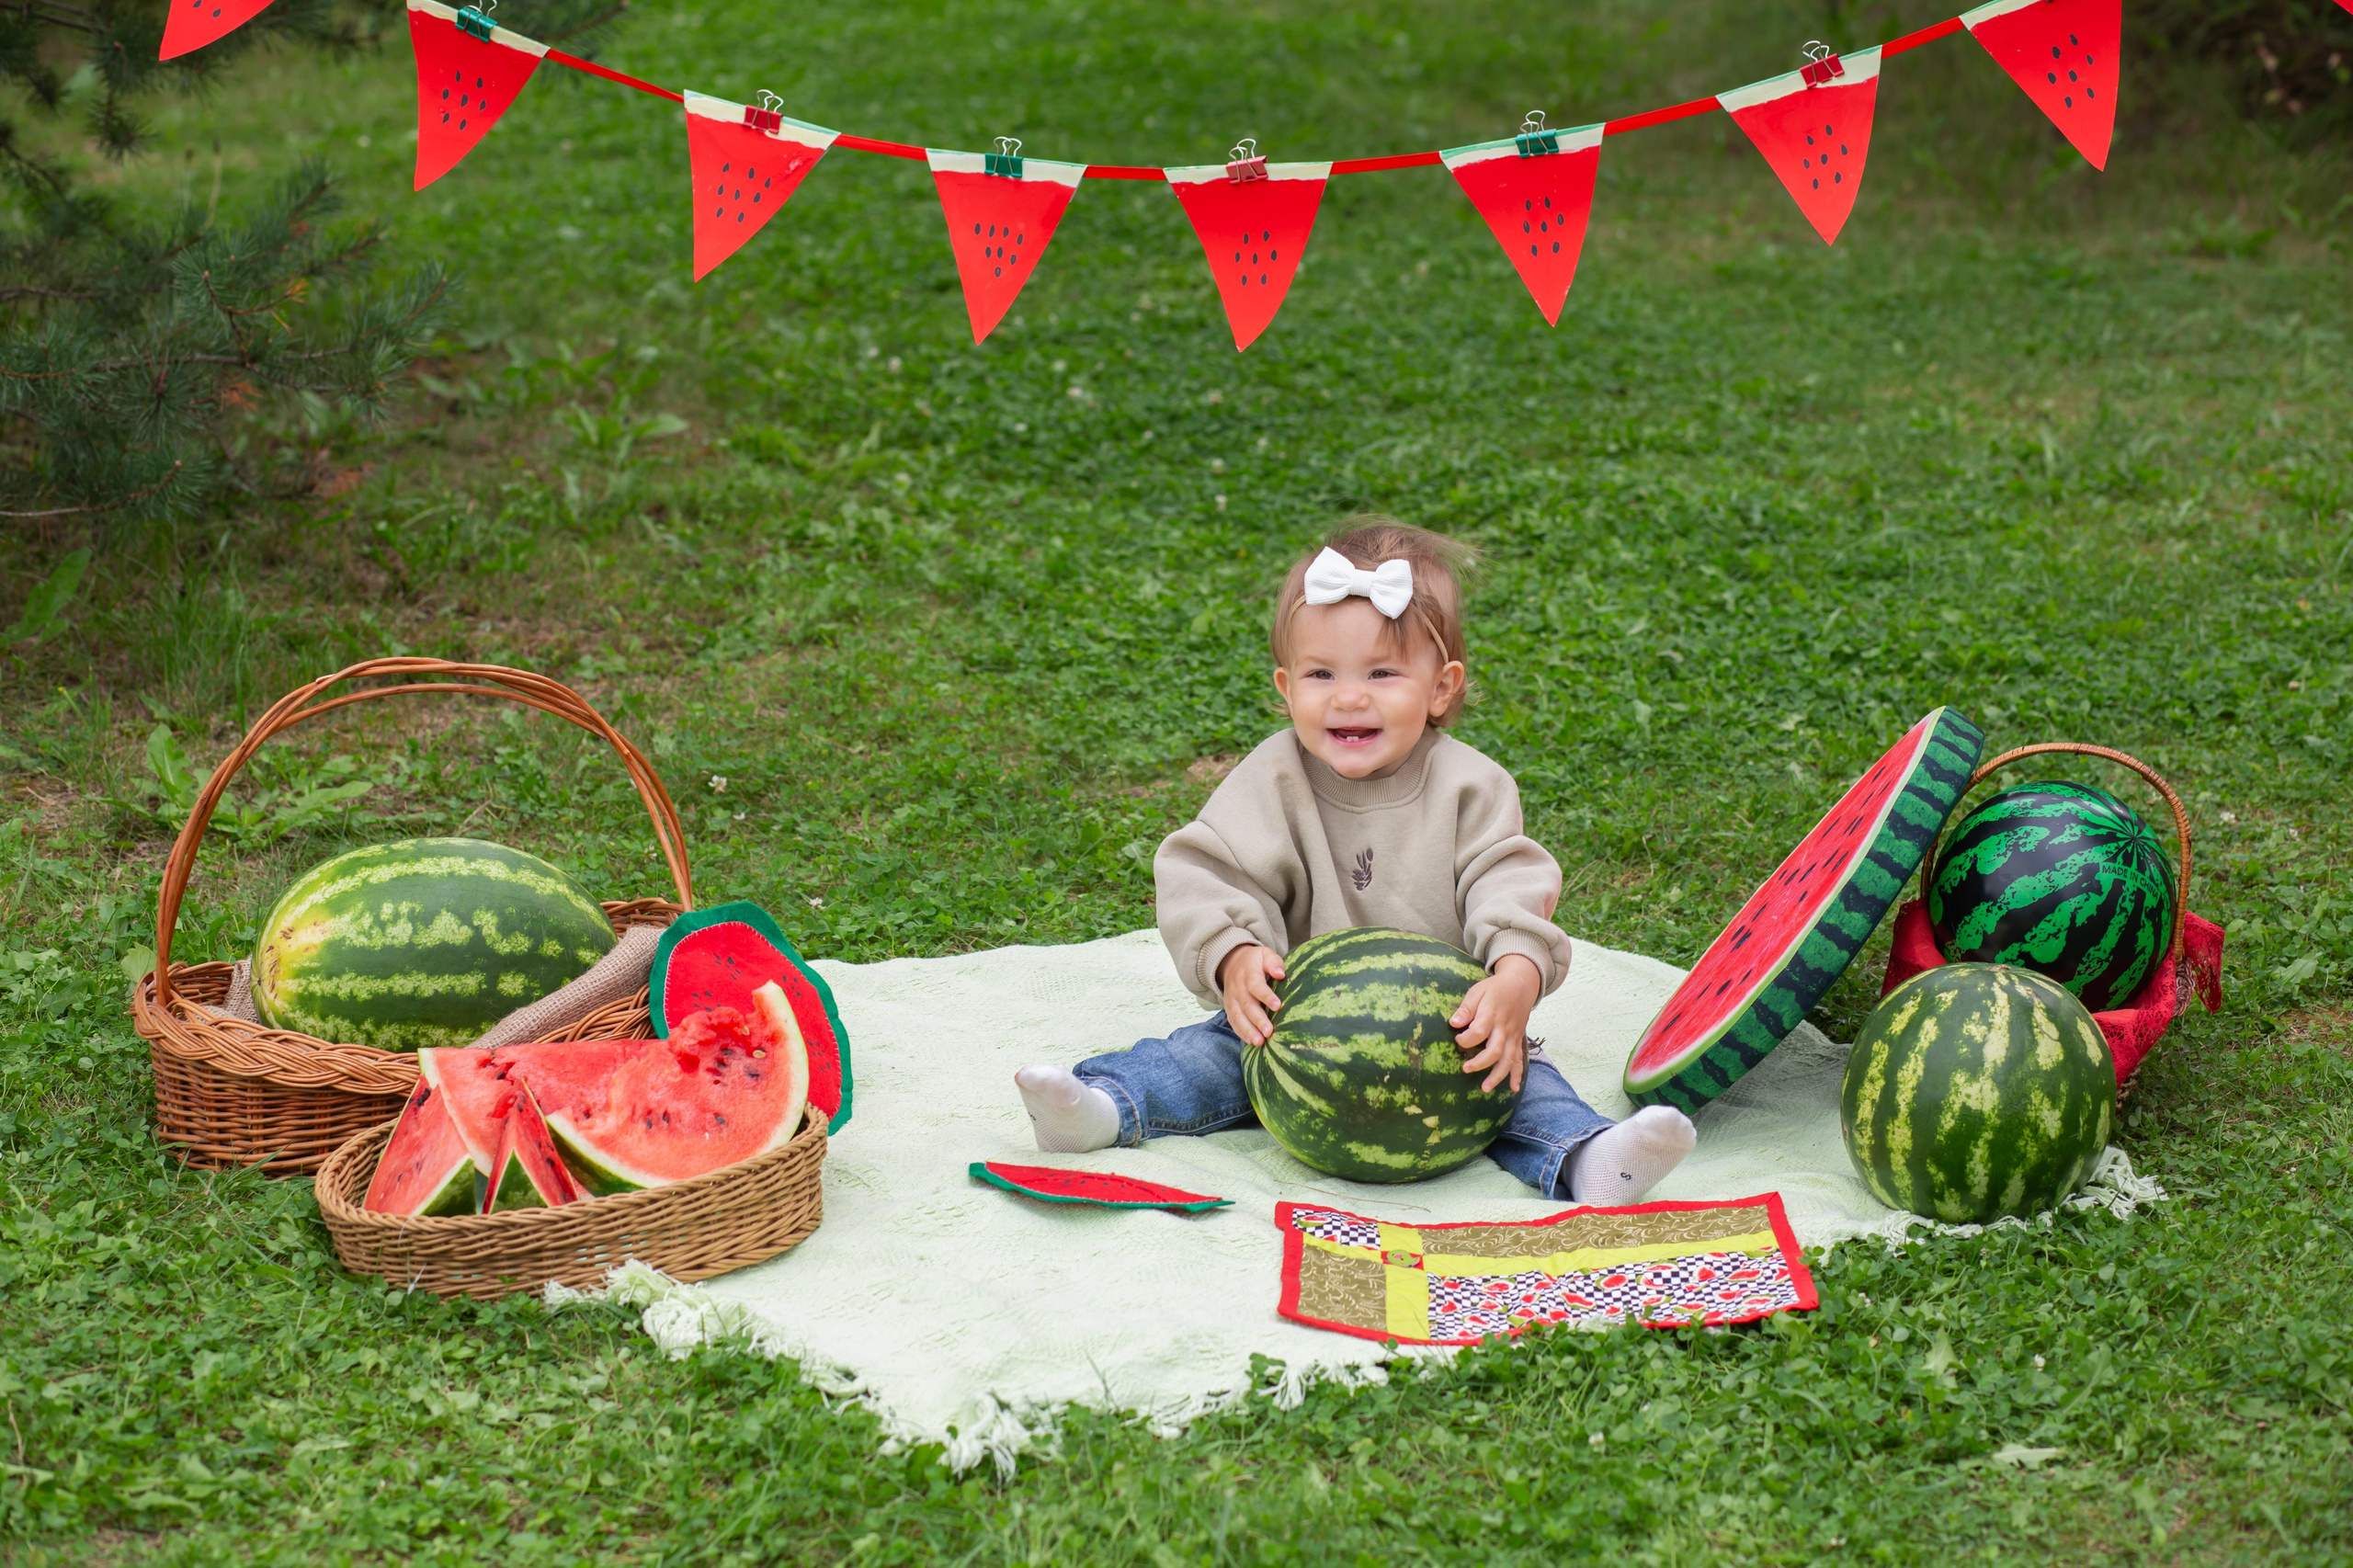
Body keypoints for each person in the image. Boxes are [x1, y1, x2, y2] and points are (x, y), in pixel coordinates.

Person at [1013, 517, 1697, 1203]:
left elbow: (1508, 882)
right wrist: (1233, 955)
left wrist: (1515, 978)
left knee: (1520, 1080)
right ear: (1286, 687)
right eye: (1321, 674)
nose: (1348, 696)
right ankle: (1101, 1110)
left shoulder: (1472, 786)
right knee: (1201, 1057)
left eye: (1382, 672)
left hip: (1449, 1033)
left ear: (1441, 687)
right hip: (1292, 1024)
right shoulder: (1273, 778)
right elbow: (1208, 871)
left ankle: (1587, 1158)